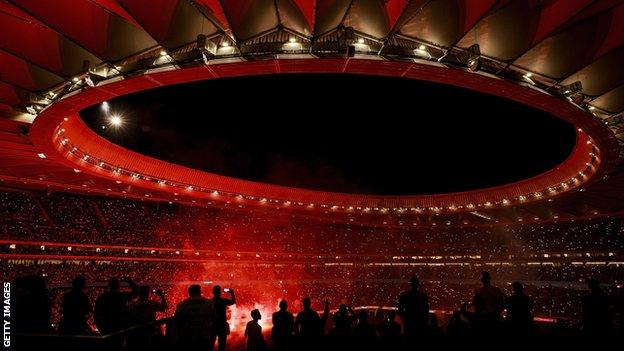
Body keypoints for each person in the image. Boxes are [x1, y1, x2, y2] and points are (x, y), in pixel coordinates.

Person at [175, 284, 215, 349]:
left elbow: (177, 319)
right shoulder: (209, 303)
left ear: (189, 292)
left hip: (189, 336)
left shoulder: (182, 304)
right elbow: (214, 318)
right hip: (205, 335)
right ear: (200, 291)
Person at [211, 285, 236, 351]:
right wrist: (232, 293)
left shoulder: (210, 302)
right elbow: (233, 302)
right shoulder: (223, 301)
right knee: (222, 346)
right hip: (222, 325)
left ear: (213, 292)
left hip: (213, 325)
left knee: (211, 344)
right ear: (220, 292)